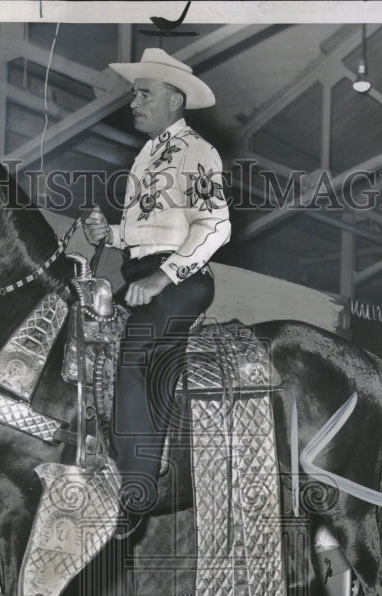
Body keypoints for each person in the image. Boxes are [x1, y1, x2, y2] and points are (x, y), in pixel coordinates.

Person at [83, 48, 231, 528]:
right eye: (134, 93)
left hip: (183, 279)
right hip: (140, 274)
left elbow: (215, 226)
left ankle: (136, 492)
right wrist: (110, 234)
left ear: (174, 100)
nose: (134, 102)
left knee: (137, 351)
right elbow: (147, 230)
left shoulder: (198, 152)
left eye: (144, 93)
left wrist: (163, 276)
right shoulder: (145, 155)